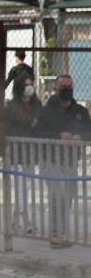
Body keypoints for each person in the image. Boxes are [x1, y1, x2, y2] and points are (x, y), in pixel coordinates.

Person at [31, 73, 91, 248]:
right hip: (50, 160)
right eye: (63, 86)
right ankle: (56, 234)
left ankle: (61, 233)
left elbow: (89, 131)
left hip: (71, 160)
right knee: (59, 194)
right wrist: (58, 136)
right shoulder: (46, 111)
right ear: (56, 88)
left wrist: (80, 137)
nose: (66, 89)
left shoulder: (80, 111)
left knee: (68, 197)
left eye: (69, 86)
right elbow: (35, 132)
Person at [0, 71, 42, 233]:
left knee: (26, 187)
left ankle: (14, 221)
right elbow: (1, 129)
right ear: (19, 88)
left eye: (31, 84)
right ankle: (27, 221)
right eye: (26, 85)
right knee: (21, 187)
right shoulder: (12, 107)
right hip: (15, 153)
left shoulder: (37, 106)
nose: (29, 88)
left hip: (30, 153)